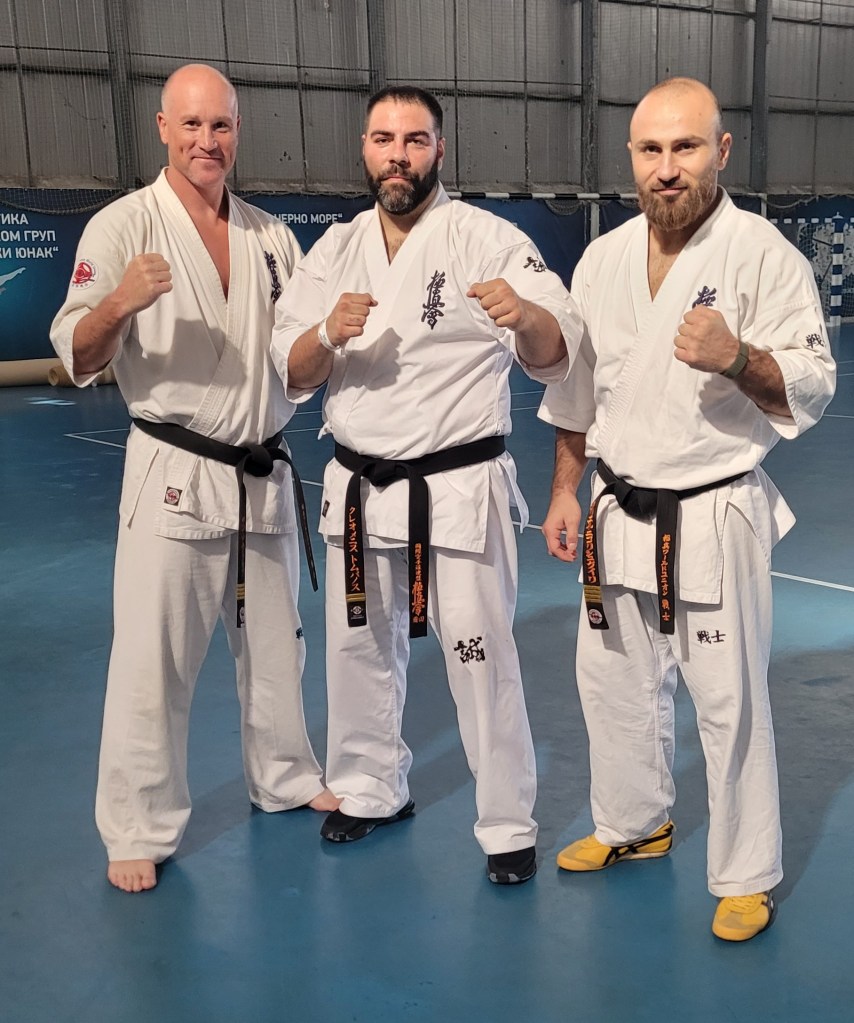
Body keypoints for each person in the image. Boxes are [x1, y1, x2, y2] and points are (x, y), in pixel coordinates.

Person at [539, 77, 835, 939]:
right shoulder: (602, 259)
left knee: (728, 700)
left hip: (711, 511)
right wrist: (564, 488)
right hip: (615, 505)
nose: (667, 168)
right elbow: (578, 393)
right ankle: (634, 822)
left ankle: (747, 872)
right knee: (611, 683)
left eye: (686, 147)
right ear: (630, 156)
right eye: (650, 150)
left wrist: (739, 357)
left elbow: (814, 382)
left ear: (722, 151)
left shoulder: (762, 255)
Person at [271, 86, 583, 884]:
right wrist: (324, 333)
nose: (398, 155)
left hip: (457, 489)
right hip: (358, 487)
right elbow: (291, 370)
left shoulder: (486, 238)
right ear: (365, 148)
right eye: (384, 138)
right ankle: (371, 787)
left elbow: (558, 351)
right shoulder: (335, 249)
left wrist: (525, 317)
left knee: (480, 660)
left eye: (415, 139)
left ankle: (507, 821)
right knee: (355, 650)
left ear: (439, 149)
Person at [50, 63, 337, 894]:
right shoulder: (123, 225)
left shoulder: (270, 236)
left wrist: (331, 338)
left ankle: (284, 774)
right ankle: (137, 826)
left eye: (221, 125)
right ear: (162, 128)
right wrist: (119, 302)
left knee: (279, 645)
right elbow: (77, 354)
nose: (207, 140)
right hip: (173, 468)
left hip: (263, 468)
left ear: (237, 130)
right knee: (154, 659)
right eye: (192, 124)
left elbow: (296, 363)